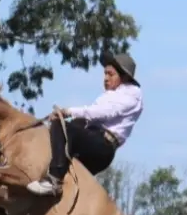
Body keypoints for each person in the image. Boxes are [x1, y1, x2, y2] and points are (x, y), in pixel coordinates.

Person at [27, 52, 143, 196]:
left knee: (62, 126)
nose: (105, 78)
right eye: (105, 73)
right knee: (69, 124)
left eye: (110, 74)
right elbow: (91, 116)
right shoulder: (112, 94)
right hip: (94, 139)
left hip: (101, 146)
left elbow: (103, 112)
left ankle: (54, 180)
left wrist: (67, 112)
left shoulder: (132, 94)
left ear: (124, 77)